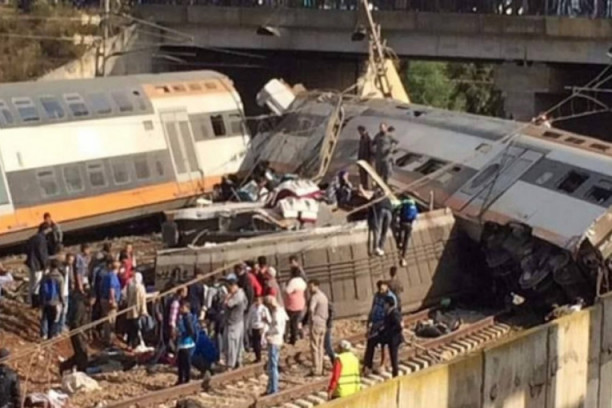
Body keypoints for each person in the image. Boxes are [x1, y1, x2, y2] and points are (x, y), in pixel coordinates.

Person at [364, 281, 397, 374]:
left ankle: (383, 364)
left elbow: (392, 311)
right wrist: (369, 321)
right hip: (375, 322)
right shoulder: (377, 295)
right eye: (379, 289)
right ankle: (368, 365)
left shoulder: (391, 297)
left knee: (384, 345)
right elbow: (373, 307)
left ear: (387, 287)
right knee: (370, 342)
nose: (380, 291)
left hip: (384, 323)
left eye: (382, 289)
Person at [59, 290, 90, 374]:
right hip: (77, 334)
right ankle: (80, 371)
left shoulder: (86, 306)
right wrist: (82, 334)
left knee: (80, 354)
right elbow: (75, 322)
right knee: (82, 355)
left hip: (81, 333)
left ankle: (65, 366)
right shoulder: (80, 306)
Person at [263, 295, 288, 396]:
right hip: (278, 340)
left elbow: (277, 328)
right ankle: (271, 387)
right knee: (272, 364)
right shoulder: (281, 311)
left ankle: (274, 388)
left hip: (274, 340)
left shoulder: (276, 313)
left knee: (273, 366)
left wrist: (268, 332)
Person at [224, 275, 248, 369]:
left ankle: (231, 364)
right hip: (238, 321)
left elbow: (228, 304)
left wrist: (227, 298)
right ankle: (238, 361)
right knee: (237, 344)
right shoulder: (242, 293)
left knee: (231, 344)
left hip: (233, 323)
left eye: (228, 287)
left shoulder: (237, 296)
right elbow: (246, 305)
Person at [25, 225, 50, 307]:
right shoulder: (42, 239)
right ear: (45, 230)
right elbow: (42, 253)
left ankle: (29, 300)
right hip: (38, 265)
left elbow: (26, 249)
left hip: (30, 264)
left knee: (31, 283)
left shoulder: (32, 238)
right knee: (37, 284)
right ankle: (35, 302)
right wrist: (45, 265)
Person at [39, 259, 65, 340]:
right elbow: (61, 292)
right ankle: (50, 337)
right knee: (53, 320)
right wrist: (63, 302)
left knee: (44, 318)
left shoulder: (45, 277)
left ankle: (43, 334)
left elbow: (41, 289)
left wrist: (41, 301)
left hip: (46, 301)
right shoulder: (60, 278)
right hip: (55, 302)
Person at [308, 279, 328, 376]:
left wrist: (311, 319)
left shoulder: (315, 297)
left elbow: (311, 309)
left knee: (314, 346)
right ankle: (320, 367)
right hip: (323, 323)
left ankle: (316, 368)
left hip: (316, 323)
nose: (310, 289)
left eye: (311, 286)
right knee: (320, 346)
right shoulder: (324, 296)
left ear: (316, 286)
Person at [380, 296, 403, 377]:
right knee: (392, 355)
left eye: (385, 304)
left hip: (394, 338)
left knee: (394, 356)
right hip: (391, 338)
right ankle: (394, 371)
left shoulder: (394, 313)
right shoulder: (388, 312)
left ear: (388, 304)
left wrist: (390, 331)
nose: (384, 306)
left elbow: (399, 326)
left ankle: (395, 373)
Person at [100, 259, 122, 347]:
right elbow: (112, 289)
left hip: (104, 299)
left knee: (106, 320)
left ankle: (106, 338)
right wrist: (112, 300)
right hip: (110, 301)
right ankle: (108, 340)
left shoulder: (106, 275)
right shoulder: (113, 276)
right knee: (110, 321)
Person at [176, 300, 197, 385]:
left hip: (186, 343)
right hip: (183, 343)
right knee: (181, 362)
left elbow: (191, 330)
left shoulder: (187, 317)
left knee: (185, 362)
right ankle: (182, 379)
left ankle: (186, 379)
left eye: (182, 307)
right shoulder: (183, 317)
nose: (180, 309)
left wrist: (182, 334)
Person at [284, 267, 307, 345]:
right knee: (297, 321)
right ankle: (298, 336)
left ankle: (291, 338)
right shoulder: (302, 281)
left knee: (291, 322)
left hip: (292, 304)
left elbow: (287, 291)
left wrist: (285, 286)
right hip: (301, 303)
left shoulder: (293, 281)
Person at [393, 197, 418, 266]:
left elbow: (398, 212)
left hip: (403, 222)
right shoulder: (414, 208)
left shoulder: (404, 204)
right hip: (409, 225)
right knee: (406, 240)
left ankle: (400, 242)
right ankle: (403, 257)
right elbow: (415, 217)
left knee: (401, 231)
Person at [126, 272, 148, 350]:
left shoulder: (130, 285)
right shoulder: (141, 288)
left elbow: (127, 296)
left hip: (129, 310)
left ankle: (129, 344)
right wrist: (143, 311)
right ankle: (134, 345)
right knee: (136, 328)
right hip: (137, 311)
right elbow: (142, 300)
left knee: (130, 327)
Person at [246, 296, 271, 363]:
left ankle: (260, 357)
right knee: (255, 343)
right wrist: (248, 326)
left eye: (259, 300)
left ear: (261, 301)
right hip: (254, 327)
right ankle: (257, 357)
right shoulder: (252, 307)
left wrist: (265, 322)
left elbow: (269, 320)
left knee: (259, 343)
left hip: (261, 327)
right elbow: (249, 317)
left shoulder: (264, 309)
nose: (257, 302)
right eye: (256, 300)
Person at [58, 253, 75, 332]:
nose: (71, 262)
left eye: (72, 260)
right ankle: (59, 327)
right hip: (61, 292)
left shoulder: (70, 267)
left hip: (67, 291)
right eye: (70, 260)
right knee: (61, 310)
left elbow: (71, 278)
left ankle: (62, 325)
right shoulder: (61, 268)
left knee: (65, 310)